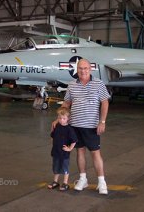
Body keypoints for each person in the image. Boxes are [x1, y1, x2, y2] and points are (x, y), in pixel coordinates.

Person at [52, 58, 110, 195]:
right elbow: (66, 104)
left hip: (91, 127)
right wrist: (57, 119)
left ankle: (102, 182)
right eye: (80, 68)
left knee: (95, 153)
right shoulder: (72, 85)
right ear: (76, 70)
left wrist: (102, 122)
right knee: (80, 152)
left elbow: (105, 102)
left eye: (85, 68)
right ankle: (83, 179)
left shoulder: (99, 83)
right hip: (75, 126)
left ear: (90, 69)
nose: (83, 71)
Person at [48, 107, 77, 191]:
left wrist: (70, 148)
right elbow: (52, 136)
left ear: (68, 119)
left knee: (64, 168)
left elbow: (74, 140)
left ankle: (65, 183)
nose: (61, 120)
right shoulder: (56, 126)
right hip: (56, 151)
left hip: (64, 153)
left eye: (64, 118)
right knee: (56, 167)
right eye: (60, 118)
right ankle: (55, 181)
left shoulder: (69, 129)